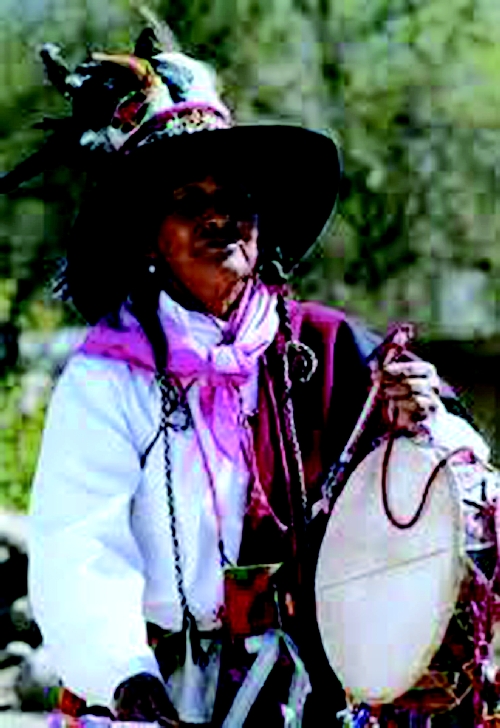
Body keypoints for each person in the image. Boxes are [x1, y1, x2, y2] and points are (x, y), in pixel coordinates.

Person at [3, 20, 498, 728]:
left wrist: (418, 421)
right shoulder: (110, 377)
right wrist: (125, 675)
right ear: (148, 240)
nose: (219, 217)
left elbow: (452, 470)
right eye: (188, 202)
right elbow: (78, 543)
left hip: (310, 687)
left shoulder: (324, 347)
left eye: (234, 198)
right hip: (156, 687)